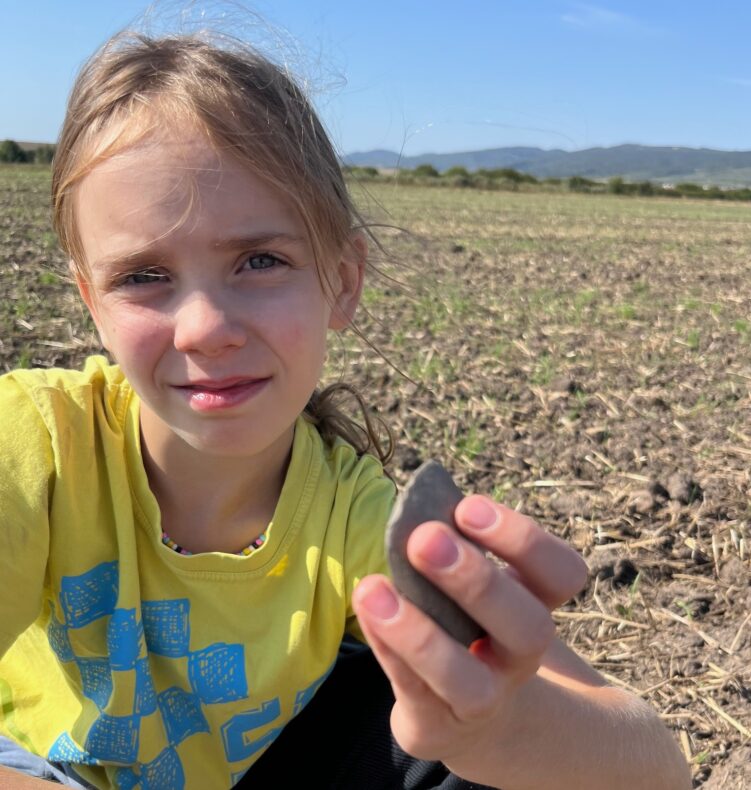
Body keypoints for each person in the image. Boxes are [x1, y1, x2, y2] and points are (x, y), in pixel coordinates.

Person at [0, 28, 690, 790]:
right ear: (90, 301)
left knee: (437, 721)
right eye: (143, 275)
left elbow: (652, 765)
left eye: (260, 261)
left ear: (343, 280)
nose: (205, 329)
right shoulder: (37, 446)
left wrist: (503, 726)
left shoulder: (356, 525)